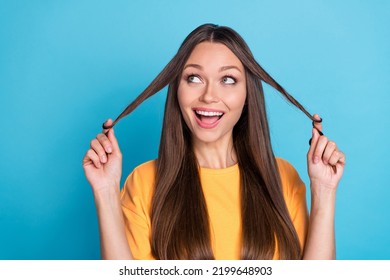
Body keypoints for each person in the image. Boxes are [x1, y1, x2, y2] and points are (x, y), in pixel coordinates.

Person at [82, 24, 345, 260]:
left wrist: (324, 190)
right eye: (194, 78)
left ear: (247, 95)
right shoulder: (144, 182)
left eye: (227, 80)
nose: (209, 96)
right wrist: (105, 192)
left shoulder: (282, 178)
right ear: (177, 91)